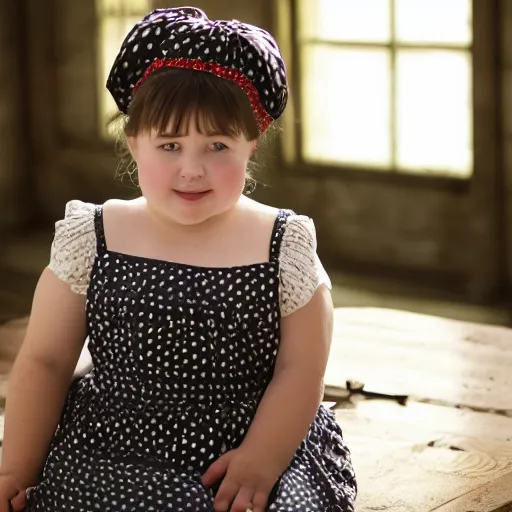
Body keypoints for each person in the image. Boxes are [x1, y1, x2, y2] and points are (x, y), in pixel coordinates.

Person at [0, 7, 357, 512]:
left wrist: (263, 457)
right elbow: (46, 359)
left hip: (252, 439)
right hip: (114, 448)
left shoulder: (283, 242)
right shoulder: (95, 234)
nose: (193, 169)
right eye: (169, 145)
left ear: (250, 145)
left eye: (217, 145)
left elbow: (301, 370)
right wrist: (15, 467)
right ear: (134, 143)